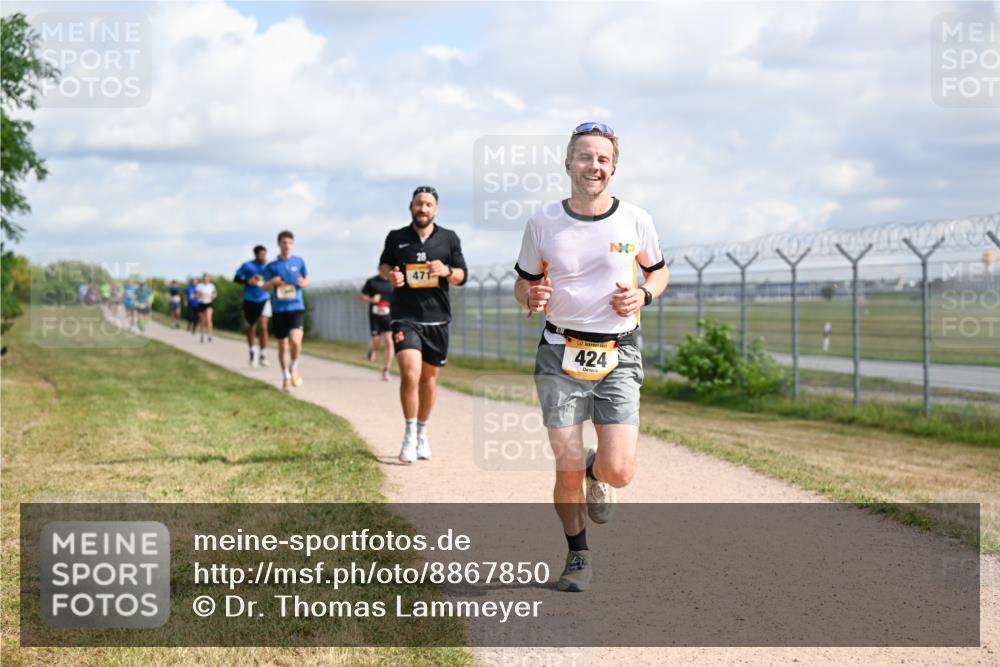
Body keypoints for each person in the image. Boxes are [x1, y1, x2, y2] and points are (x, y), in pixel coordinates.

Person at [513, 122, 669, 592]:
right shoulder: (543, 222)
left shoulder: (636, 219)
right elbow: (523, 283)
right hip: (560, 352)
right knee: (565, 466)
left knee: (619, 471)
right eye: (585, 156)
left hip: (618, 352)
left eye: (603, 158)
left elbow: (658, 273)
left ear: (613, 168)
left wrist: (644, 294)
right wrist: (530, 295)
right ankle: (578, 553)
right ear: (568, 164)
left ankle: (594, 469)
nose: (593, 166)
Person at [379, 185, 467, 464]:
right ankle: (408, 435)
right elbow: (384, 266)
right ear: (411, 207)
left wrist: (446, 270)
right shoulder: (396, 237)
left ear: (435, 210)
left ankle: (421, 432)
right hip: (405, 317)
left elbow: (462, 275)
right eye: (419, 203)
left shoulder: (449, 238)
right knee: (410, 373)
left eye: (428, 204)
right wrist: (391, 275)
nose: (423, 208)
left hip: (437, 318)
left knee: (429, 380)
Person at [263, 230, 309, 391]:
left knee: (296, 341)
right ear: (279, 244)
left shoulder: (299, 261)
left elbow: (306, 280)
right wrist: (272, 282)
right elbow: (264, 287)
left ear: (293, 244)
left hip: (296, 307)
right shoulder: (272, 266)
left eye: (289, 242)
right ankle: (286, 376)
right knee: (283, 345)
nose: (287, 245)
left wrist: (303, 282)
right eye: (284, 242)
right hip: (279, 309)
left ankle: (294, 366)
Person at [234, 245, 272, 367]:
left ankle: (263, 355)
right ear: (256, 255)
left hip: (264, 298)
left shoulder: (269, 266)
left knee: (264, 327)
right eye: (261, 254)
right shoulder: (247, 266)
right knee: (251, 327)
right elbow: (236, 278)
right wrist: (247, 281)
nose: (264, 257)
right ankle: (252, 351)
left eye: (265, 254)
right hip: (250, 299)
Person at [360, 270, 395, 381]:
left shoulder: (393, 281)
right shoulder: (372, 281)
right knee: (376, 341)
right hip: (375, 316)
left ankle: (386, 371)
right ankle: (373, 349)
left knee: (389, 341)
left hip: (389, 316)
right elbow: (362, 297)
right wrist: (371, 299)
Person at [195, 273, 217, 343]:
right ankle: (202, 335)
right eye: (204, 278)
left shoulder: (211, 286)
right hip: (201, 303)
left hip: (209, 303)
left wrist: (213, 296)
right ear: (203, 279)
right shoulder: (199, 286)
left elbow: (215, 293)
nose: (206, 279)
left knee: (208, 319)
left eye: (207, 278)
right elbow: (196, 294)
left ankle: (210, 335)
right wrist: (200, 295)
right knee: (202, 321)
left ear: (209, 279)